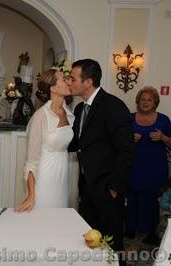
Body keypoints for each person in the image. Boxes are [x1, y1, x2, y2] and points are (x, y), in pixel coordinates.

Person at [68, 59, 135, 261]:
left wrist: (114, 187)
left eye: (73, 78)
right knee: (90, 239)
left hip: (108, 188)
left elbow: (127, 150)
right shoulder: (80, 109)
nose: (70, 82)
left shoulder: (113, 106)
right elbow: (74, 144)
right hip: (87, 186)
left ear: (88, 82)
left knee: (112, 242)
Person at [15, 69, 74, 211]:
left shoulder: (70, 114)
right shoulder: (40, 116)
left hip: (62, 177)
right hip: (44, 177)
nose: (68, 81)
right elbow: (31, 161)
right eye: (63, 79)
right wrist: (31, 195)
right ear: (53, 88)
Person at [125, 86, 171, 245]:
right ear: (138, 102)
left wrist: (163, 137)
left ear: (155, 102)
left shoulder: (164, 119)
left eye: (149, 99)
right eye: (143, 99)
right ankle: (130, 228)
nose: (145, 102)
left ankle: (151, 231)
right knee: (132, 196)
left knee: (151, 199)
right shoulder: (128, 118)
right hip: (133, 165)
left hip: (154, 167)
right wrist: (129, 138)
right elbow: (118, 141)